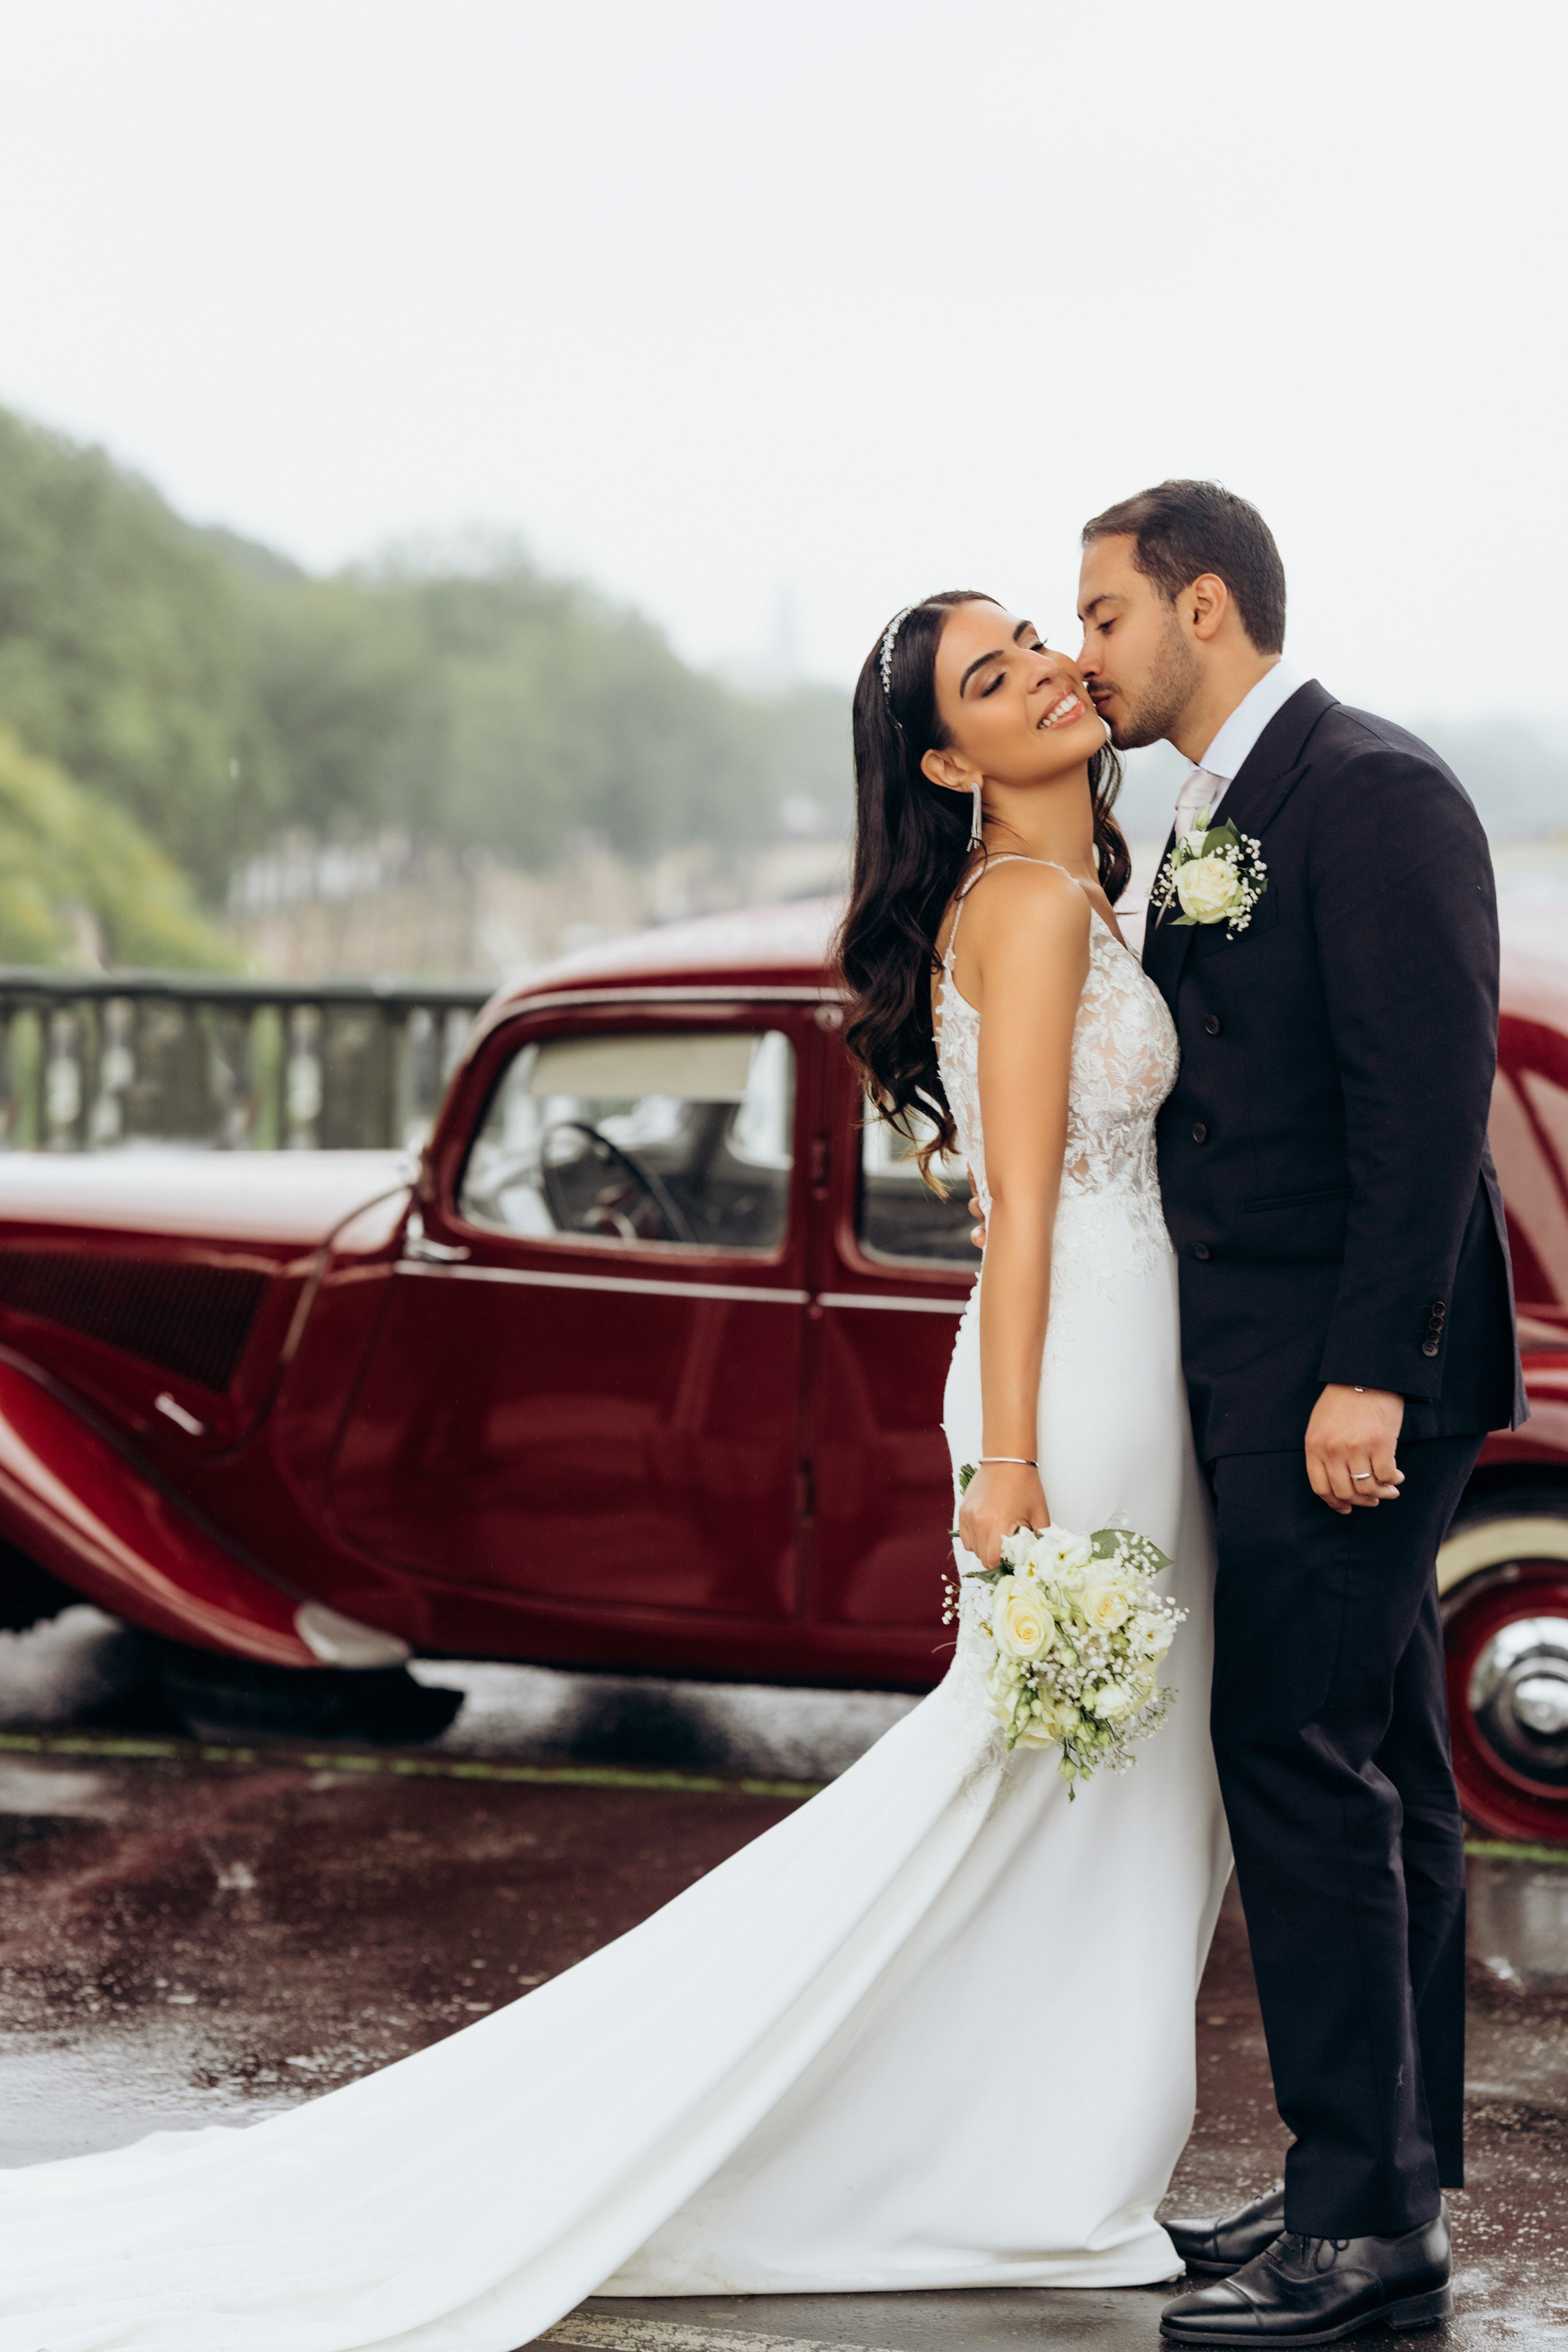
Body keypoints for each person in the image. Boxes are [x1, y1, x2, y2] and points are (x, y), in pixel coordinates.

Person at [0, 591, 1229, 2348]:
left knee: (1100, 1778)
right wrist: (1011, 1458)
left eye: (1035, 631)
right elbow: (1025, 1206)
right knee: (1054, 1766)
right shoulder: (1026, 910)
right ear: (950, 761)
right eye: (991, 673)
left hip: (1123, 1353)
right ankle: (1015, 2163)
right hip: (1080, 1377)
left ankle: (1039, 2152)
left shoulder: (1082, 889)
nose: (1042, 661)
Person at [1073, 481, 1524, 2345]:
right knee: (1387, 1765)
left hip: (1348, 1383)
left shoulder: (1375, 789)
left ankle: (1368, 2234)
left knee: (1298, 1755)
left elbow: (1429, 1108)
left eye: (1101, 614)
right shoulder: (1207, 812)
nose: (1081, 647)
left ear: (1201, 607)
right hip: (1268, 1370)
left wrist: (1372, 1374)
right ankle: (1376, 2168)